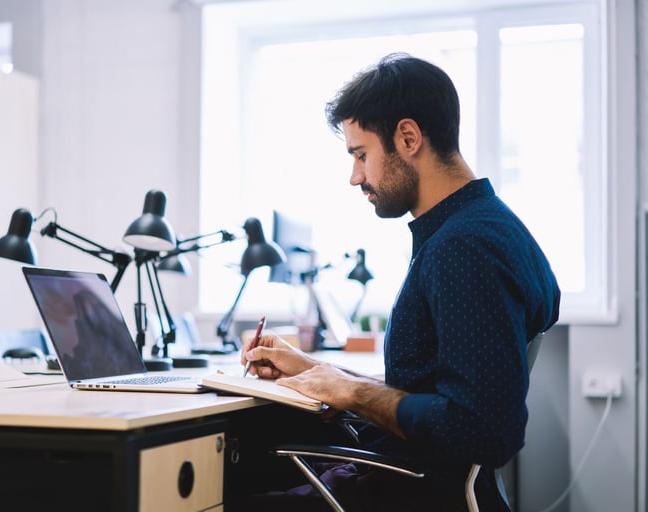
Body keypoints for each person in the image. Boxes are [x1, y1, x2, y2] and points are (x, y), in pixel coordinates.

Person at [231, 53, 560, 511]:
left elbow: (483, 429)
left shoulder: (463, 247)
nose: (355, 177)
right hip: (411, 481)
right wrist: (316, 371)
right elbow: (432, 391)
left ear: (407, 138)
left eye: (361, 154)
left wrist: (352, 391)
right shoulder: (484, 226)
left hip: (407, 493)